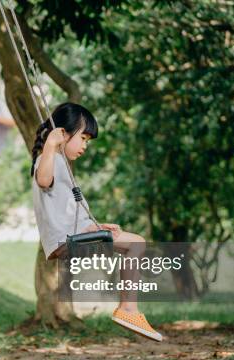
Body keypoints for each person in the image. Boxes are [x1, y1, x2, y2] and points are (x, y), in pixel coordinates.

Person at [31, 102, 163, 342]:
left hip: (69, 237)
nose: (85, 146)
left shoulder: (61, 164)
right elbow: (43, 179)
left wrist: (95, 226)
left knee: (134, 244)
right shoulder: (49, 160)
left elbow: (67, 212)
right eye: (82, 138)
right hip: (65, 240)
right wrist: (50, 145)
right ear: (62, 133)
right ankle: (128, 310)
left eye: (88, 141)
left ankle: (128, 310)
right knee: (136, 243)